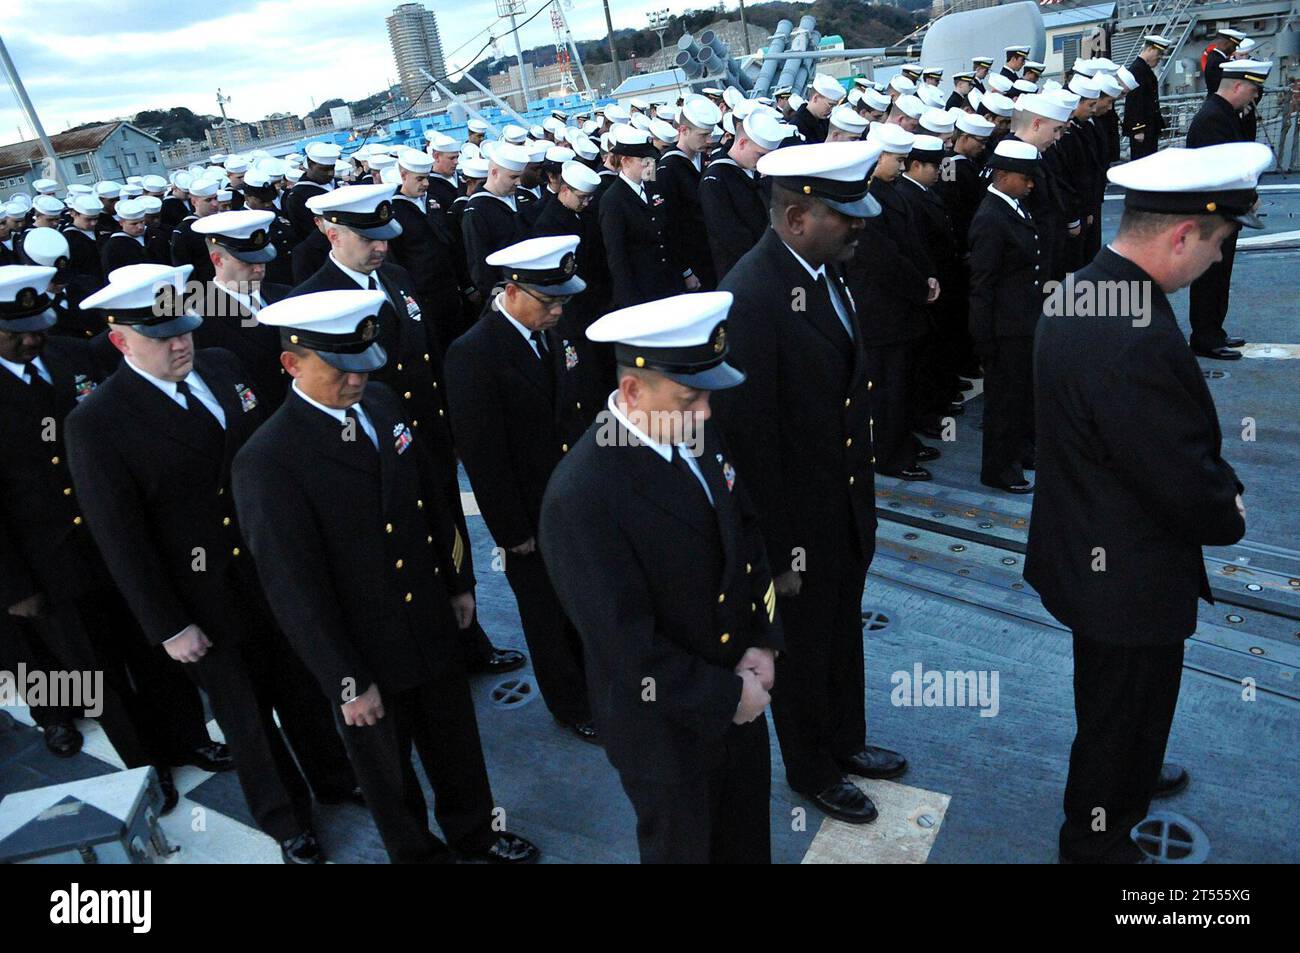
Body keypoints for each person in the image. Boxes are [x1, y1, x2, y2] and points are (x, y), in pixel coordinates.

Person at [66, 264, 361, 864]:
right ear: (120, 341)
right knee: (245, 714)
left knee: (303, 687)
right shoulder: (98, 422)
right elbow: (121, 539)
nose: (181, 343)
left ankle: (333, 777)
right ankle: (286, 819)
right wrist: (169, 626)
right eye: (162, 336)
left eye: (185, 328)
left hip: (268, 572)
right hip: (203, 598)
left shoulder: (224, 367)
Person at [232, 289, 539, 865]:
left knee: (455, 742)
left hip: (427, 615)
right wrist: (344, 680)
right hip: (362, 646)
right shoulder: (269, 459)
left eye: (361, 366)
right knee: (386, 769)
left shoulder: (383, 405)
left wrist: (458, 581)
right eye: (339, 369)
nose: (355, 381)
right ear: (292, 364)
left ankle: (475, 830)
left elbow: (430, 500)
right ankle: (416, 854)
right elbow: (292, 588)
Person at [1026, 141, 1269, 863]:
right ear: (1182, 233)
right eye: (1219, 242)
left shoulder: (1081, 289)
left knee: (1112, 704)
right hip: (1130, 578)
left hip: (1086, 552)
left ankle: (1127, 773)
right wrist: (1230, 510)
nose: (1218, 258)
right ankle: (1095, 839)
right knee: (1120, 714)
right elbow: (1176, 474)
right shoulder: (1136, 335)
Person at [540, 291, 784, 862]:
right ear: (632, 390)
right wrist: (726, 696)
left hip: (739, 691)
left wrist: (762, 639)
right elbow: (625, 643)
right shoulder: (583, 494)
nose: (705, 413)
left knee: (746, 843)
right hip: (667, 730)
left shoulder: (689, 431)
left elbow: (745, 535)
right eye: (689, 398)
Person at [715, 139, 907, 825]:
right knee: (801, 647)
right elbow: (750, 446)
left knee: (841, 634)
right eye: (844, 214)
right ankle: (812, 766)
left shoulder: (825, 273)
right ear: (798, 218)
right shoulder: (752, 297)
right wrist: (777, 555)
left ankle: (846, 739)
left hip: (843, 509)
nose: (861, 224)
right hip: (797, 527)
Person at [0, 264, 229, 806]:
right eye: (19, 330)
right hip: (51, 561)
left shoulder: (71, 357)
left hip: (121, 541)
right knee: (96, 673)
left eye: (39, 323)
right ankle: (146, 770)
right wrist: (14, 587)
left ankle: (188, 739)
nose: (35, 337)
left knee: (156, 648)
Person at [293, 183, 524, 677]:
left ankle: (470, 636)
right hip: (375, 453)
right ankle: (434, 650)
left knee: (450, 536)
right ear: (329, 232)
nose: (381, 246)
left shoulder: (396, 277)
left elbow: (427, 357)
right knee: (407, 555)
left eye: (384, 236)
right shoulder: (311, 303)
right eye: (368, 238)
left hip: (428, 438)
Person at [444, 236, 599, 741]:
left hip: (575, 500)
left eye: (562, 300)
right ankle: (573, 704)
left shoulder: (555, 331)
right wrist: (511, 531)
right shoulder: (473, 354)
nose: (558, 309)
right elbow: (485, 455)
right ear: (511, 290)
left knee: (588, 600)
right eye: (548, 300)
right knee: (547, 614)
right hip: (529, 514)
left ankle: (599, 686)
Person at [967, 140, 1044, 494]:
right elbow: (982, 284)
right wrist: (983, 339)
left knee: (1023, 397)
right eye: (1025, 177)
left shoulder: (1013, 207)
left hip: (1023, 321)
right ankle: (999, 469)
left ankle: (1022, 451)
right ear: (1002, 175)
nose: (1031, 184)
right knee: (1004, 402)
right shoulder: (991, 217)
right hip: (1005, 328)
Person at [1184, 59, 1272, 360]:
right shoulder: (1213, 119)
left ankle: (1214, 330)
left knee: (1220, 276)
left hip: (1224, 210)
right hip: (1213, 212)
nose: (1254, 96)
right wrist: (1246, 199)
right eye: (1252, 89)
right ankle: (1205, 338)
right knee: (1210, 275)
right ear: (1237, 86)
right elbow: (1220, 174)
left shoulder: (1225, 115)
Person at [190, 209, 293, 411]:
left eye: (262, 258)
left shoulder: (286, 295)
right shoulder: (200, 317)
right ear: (217, 259)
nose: (258, 268)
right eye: (247, 261)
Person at [599, 125, 688, 309]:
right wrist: (629, 299)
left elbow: (670, 232)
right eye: (643, 160)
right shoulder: (613, 200)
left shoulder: (653, 186)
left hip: (669, 282)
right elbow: (617, 256)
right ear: (625, 161)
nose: (650, 164)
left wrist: (684, 272)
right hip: (642, 289)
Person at [698, 110, 784, 281]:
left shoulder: (755, 170)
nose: (764, 161)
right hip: (744, 272)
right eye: (760, 154)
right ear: (742, 142)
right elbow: (731, 236)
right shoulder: (715, 179)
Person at [656, 96, 724, 292]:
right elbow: (669, 226)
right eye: (703, 135)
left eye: (710, 134)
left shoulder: (703, 159)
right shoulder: (667, 170)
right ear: (683, 130)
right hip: (692, 262)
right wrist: (685, 270)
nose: (709, 141)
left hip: (711, 255)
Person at [461, 143, 531, 298]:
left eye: (519, 176)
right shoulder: (477, 210)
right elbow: (480, 266)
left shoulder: (518, 198)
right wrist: (497, 300)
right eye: (513, 177)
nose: (519, 182)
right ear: (494, 173)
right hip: (508, 292)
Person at [1124, 36, 1171, 159]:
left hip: (1149, 127)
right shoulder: (1137, 70)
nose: (1160, 57)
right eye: (1159, 53)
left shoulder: (1144, 69)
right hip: (1143, 130)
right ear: (1150, 49)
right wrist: (1138, 129)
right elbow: (1134, 102)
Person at [793, 74, 845, 144]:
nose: (831, 110)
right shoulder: (796, 126)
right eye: (830, 105)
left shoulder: (824, 121)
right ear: (815, 98)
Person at [1203, 28, 1246, 95]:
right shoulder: (1218, 61)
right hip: (1218, 100)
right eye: (1234, 46)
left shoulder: (1216, 57)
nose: (1234, 49)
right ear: (1226, 44)